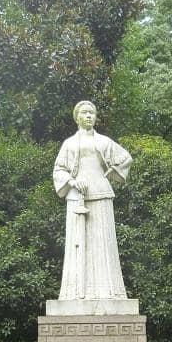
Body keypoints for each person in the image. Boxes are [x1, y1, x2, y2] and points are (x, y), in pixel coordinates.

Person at [53, 101, 132, 301]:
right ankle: (73, 292)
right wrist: (72, 181)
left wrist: (112, 170)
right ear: (77, 117)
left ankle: (109, 291)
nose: (89, 116)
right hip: (76, 198)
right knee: (77, 245)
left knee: (103, 243)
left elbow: (126, 158)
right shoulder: (69, 144)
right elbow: (58, 170)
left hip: (101, 194)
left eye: (92, 113)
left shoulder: (104, 141)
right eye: (85, 113)